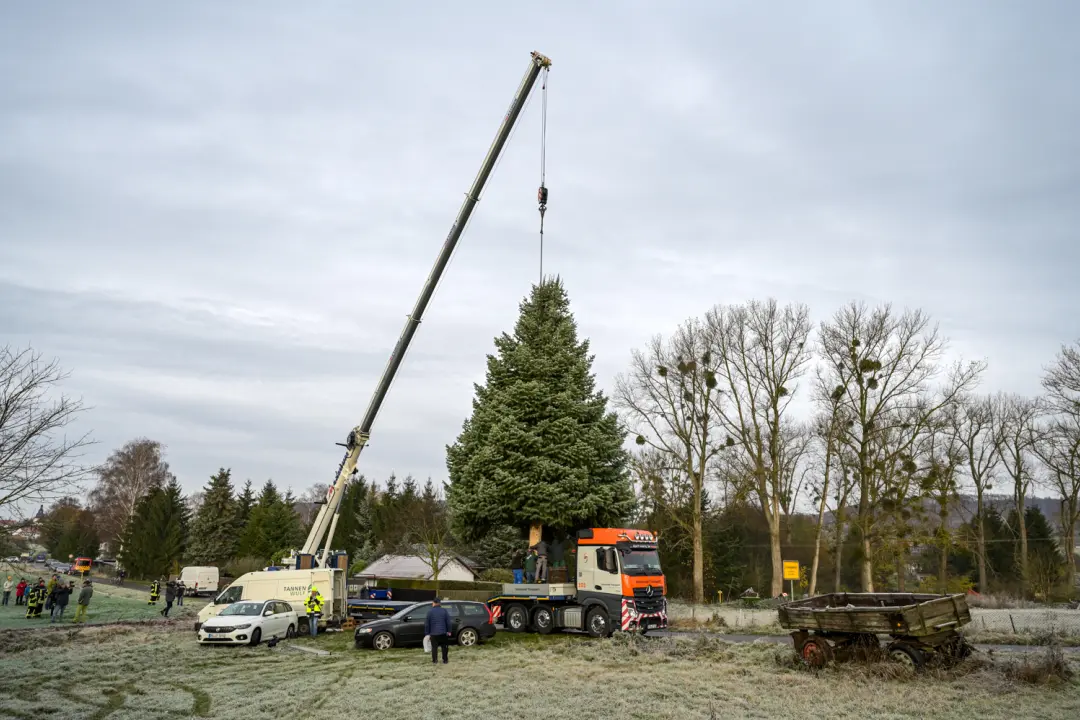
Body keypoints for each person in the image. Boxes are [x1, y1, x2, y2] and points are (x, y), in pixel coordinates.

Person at [424, 598, 452, 665]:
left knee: (434, 647)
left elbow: (427, 624)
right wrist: (449, 631)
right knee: (444, 647)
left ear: (433, 603)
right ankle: (445, 660)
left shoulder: (430, 612)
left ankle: (434, 660)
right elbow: (448, 622)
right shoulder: (444, 611)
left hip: (433, 633)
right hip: (443, 632)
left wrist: (427, 633)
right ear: (440, 603)